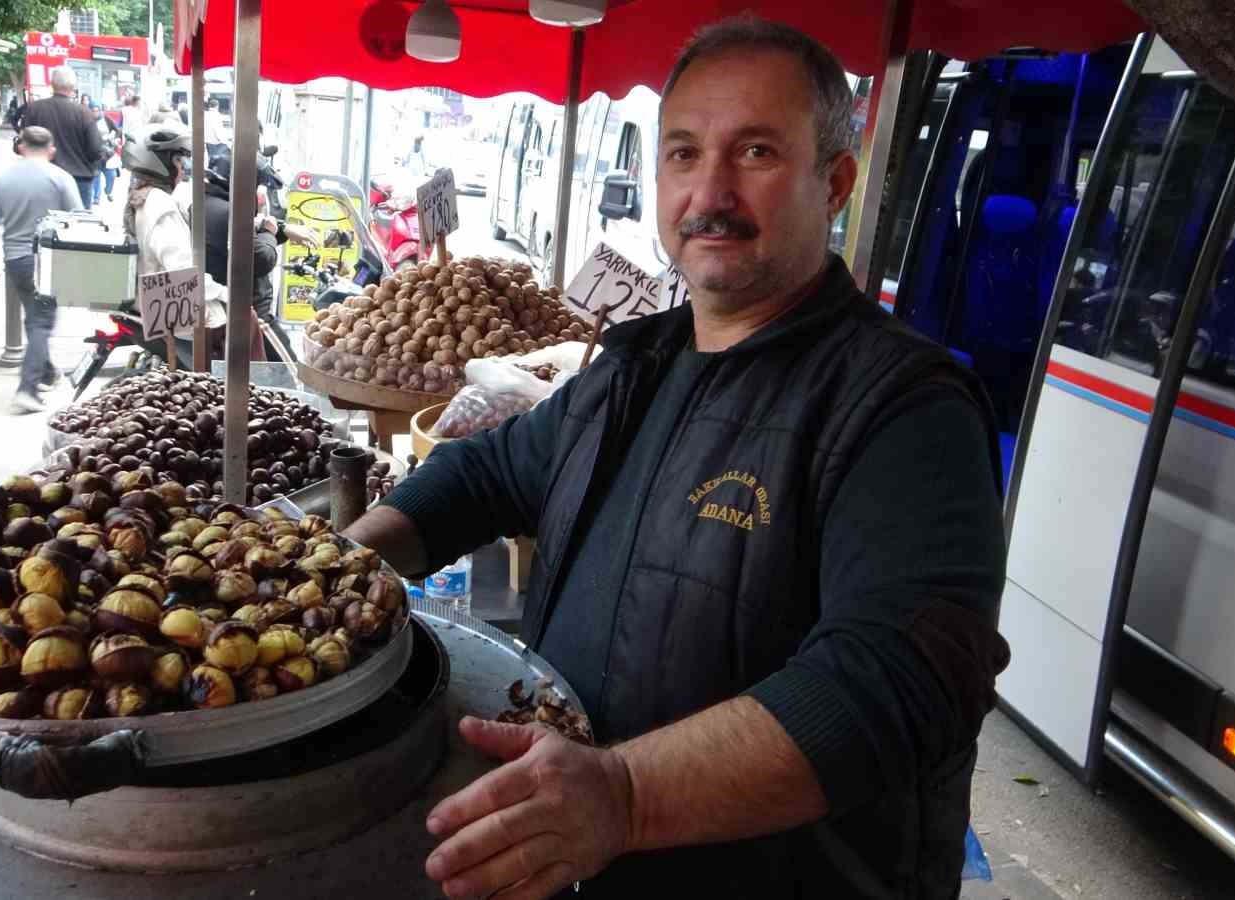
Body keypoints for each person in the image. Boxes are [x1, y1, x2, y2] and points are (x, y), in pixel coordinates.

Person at [340, 17, 1009, 899]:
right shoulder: (636, 365)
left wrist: (625, 796)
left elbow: (894, 682)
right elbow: (488, 472)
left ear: (836, 181)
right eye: (684, 154)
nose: (710, 193)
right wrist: (343, 569)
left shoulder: (902, 406)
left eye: (757, 152)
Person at [0, 126, 83, 414]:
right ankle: (28, 388)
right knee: (41, 322)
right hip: (48, 259)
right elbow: (79, 218)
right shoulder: (60, 178)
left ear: (21, 147)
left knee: (34, 318)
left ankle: (47, 371)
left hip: (15, 260)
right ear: (51, 150)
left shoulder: (2, 179)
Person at [122, 120, 230, 359]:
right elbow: (182, 270)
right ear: (159, 163)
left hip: (147, 305)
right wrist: (224, 292)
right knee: (243, 327)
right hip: (174, 317)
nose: (182, 170)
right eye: (179, 162)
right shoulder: (158, 203)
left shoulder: (141, 195)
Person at [203, 155, 317, 360]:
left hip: (235, 311)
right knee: (288, 371)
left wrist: (282, 228)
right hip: (251, 313)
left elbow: (252, 227)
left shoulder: (211, 205)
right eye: (257, 188)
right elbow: (261, 258)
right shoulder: (229, 214)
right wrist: (270, 233)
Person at [19, 67, 107, 209]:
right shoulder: (84, 113)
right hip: (78, 179)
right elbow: (95, 150)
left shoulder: (35, 109)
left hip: (41, 178)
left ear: (52, 83)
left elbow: (23, 142)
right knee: (76, 227)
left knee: (38, 225)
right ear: (73, 87)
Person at [91, 107, 123, 206]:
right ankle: (96, 197)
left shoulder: (106, 119)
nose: (95, 112)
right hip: (95, 154)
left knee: (112, 176)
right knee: (96, 176)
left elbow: (118, 131)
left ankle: (108, 191)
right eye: (93, 110)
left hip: (108, 154)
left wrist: (114, 138)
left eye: (97, 110)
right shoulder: (87, 121)